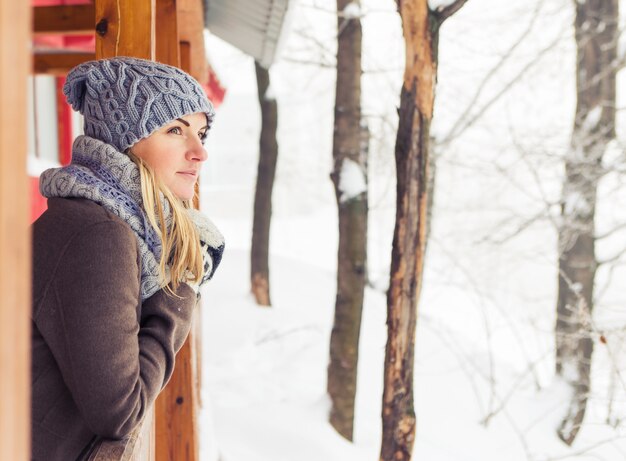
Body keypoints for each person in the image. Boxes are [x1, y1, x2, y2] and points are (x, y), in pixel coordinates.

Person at [30, 56, 225, 461]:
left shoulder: (101, 222)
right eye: (175, 130)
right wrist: (179, 287)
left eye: (201, 134)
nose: (199, 152)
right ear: (125, 140)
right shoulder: (97, 234)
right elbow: (120, 412)